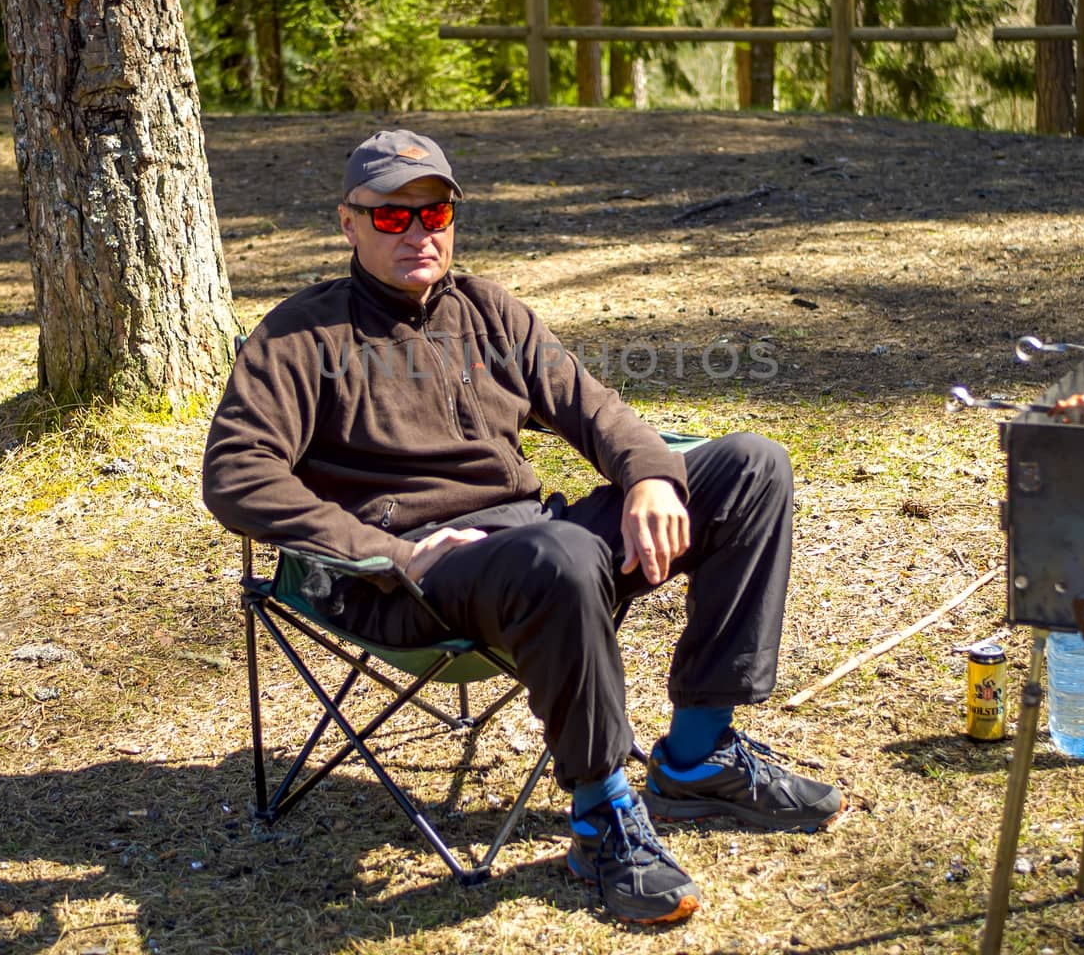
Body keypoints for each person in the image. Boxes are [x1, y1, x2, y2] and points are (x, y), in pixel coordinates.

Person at [203, 129, 843, 924]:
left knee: (750, 468)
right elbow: (236, 476)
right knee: (561, 551)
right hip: (413, 580)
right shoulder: (300, 337)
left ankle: (698, 758)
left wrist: (646, 475)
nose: (419, 232)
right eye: (392, 218)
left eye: (433, 212)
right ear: (348, 223)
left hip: (539, 554)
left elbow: (591, 406)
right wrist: (395, 552)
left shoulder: (488, 310)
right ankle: (601, 818)